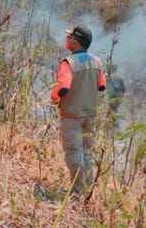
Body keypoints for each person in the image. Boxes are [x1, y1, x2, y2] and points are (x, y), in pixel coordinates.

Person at [51, 25, 106, 196]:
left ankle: (77, 192)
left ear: (76, 42)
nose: (67, 40)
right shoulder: (97, 62)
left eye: (70, 38)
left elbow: (64, 88)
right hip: (90, 115)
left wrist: (54, 96)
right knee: (87, 153)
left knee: (74, 154)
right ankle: (87, 189)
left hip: (72, 116)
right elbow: (102, 86)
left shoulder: (68, 64)